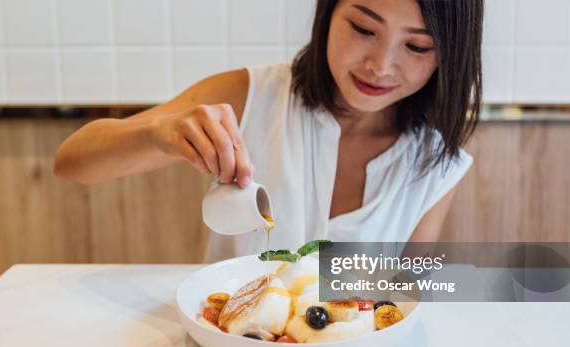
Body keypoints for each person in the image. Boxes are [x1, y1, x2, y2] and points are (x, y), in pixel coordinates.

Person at [54, 0, 484, 262]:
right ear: (328, 11)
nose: (380, 65)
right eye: (363, 28)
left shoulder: (435, 162)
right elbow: (72, 163)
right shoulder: (250, 96)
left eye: (417, 46)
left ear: (448, 53)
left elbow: (403, 295)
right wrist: (157, 134)